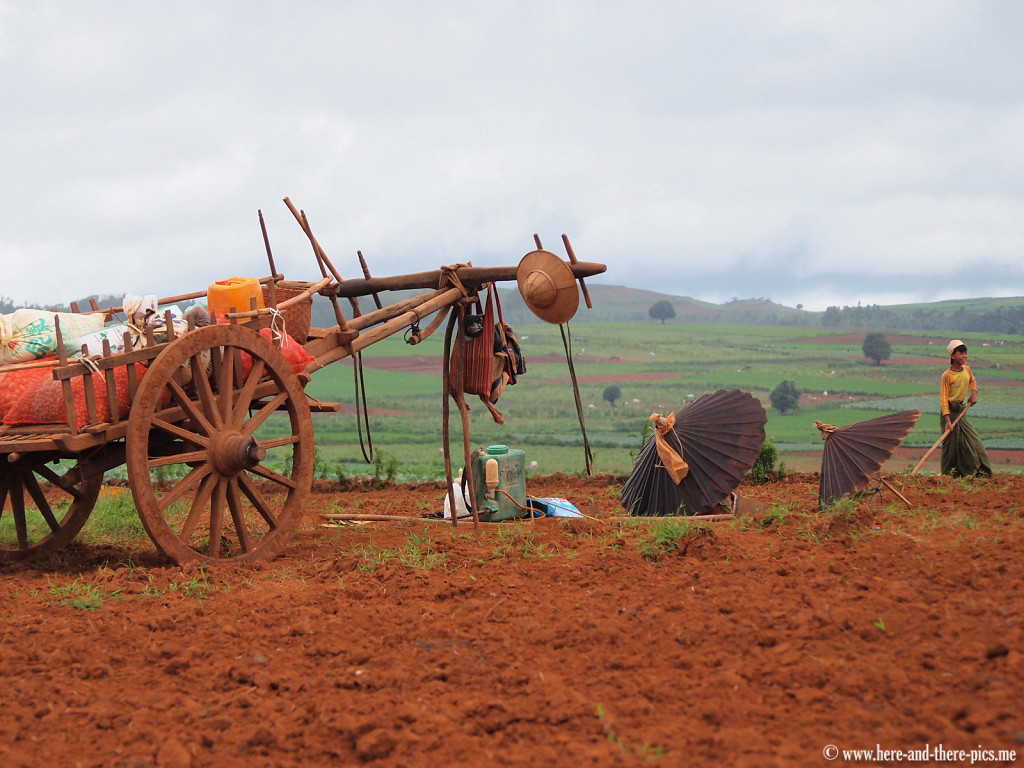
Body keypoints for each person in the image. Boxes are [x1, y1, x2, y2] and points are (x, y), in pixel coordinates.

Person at [939, 339, 992, 477]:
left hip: (961, 410)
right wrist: (947, 421)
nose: (964, 356)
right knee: (950, 446)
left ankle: (981, 470)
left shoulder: (967, 370)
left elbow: (972, 380)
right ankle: (947, 475)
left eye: (965, 354)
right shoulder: (947, 375)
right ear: (952, 356)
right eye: (961, 354)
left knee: (973, 440)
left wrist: (974, 393)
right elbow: (944, 398)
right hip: (949, 412)